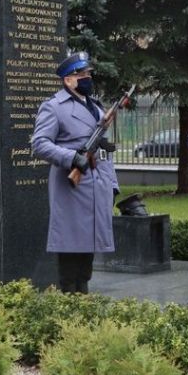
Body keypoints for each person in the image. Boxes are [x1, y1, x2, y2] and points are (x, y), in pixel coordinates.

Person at [31, 51, 118, 293]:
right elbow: (39, 143)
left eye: (88, 74)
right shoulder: (54, 107)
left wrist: (112, 183)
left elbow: (102, 146)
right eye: (82, 75)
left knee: (88, 247)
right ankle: (70, 299)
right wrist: (71, 158)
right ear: (68, 80)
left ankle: (82, 294)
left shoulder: (95, 107)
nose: (88, 78)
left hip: (95, 183)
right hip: (72, 186)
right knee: (71, 246)